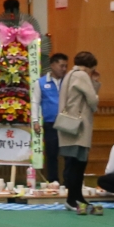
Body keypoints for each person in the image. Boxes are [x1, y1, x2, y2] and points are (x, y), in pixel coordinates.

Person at [57, 52, 101, 214]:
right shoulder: (82, 75)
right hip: (79, 127)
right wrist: (94, 82)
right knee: (78, 165)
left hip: (68, 125)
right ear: (89, 66)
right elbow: (93, 100)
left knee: (74, 164)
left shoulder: (70, 74)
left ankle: (77, 197)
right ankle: (71, 199)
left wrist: (93, 81)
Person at [39, 53, 70, 184]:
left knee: (69, 154)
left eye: (66, 66)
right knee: (52, 154)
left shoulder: (69, 81)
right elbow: (36, 102)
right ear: (52, 65)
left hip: (68, 122)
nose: (64, 69)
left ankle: (69, 182)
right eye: (61, 66)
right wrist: (36, 121)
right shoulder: (41, 82)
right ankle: (53, 181)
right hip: (50, 122)